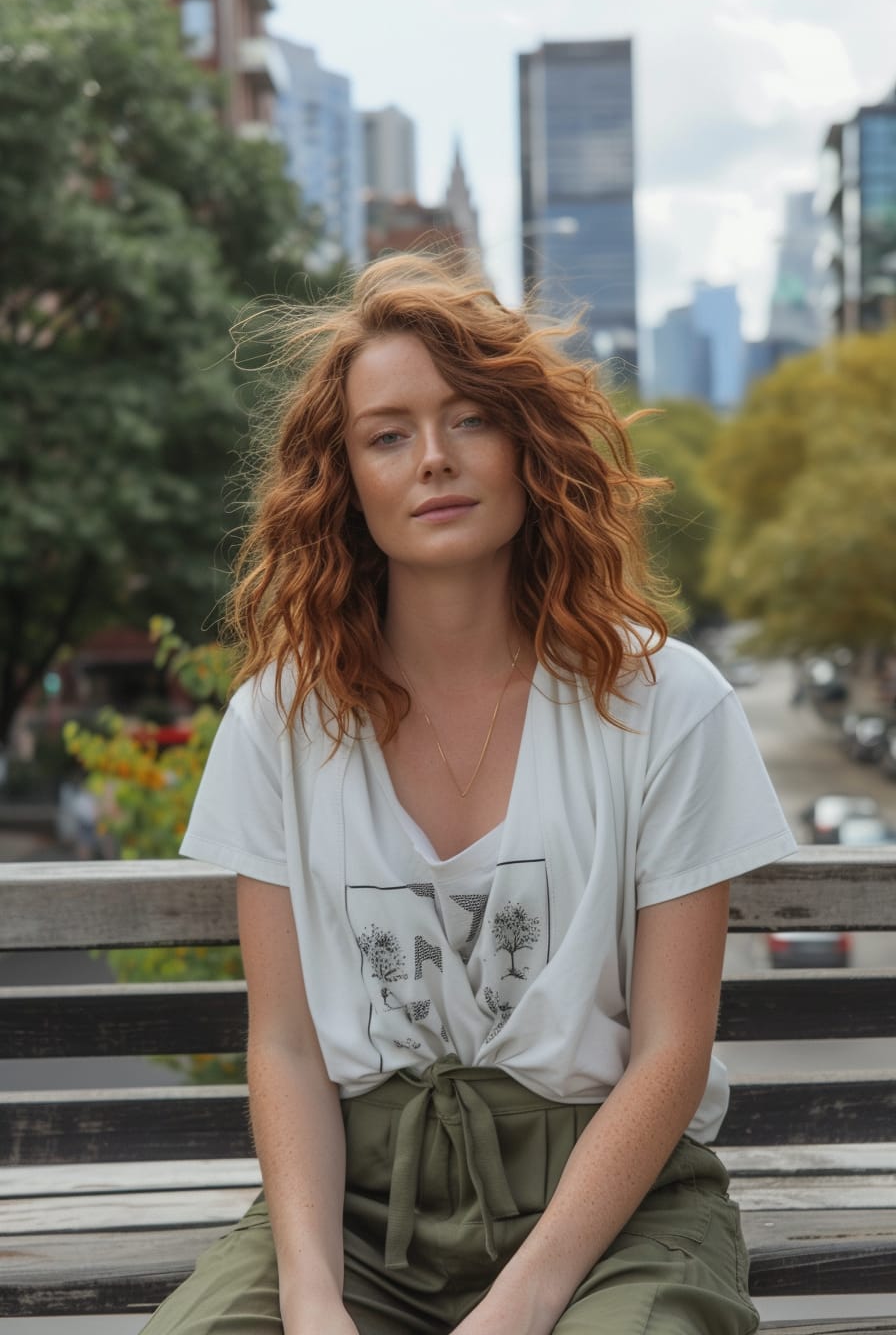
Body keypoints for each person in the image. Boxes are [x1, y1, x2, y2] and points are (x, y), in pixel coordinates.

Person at [143, 253, 796, 1335]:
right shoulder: (279, 719)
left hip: (605, 1210)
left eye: (467, 421)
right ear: (343, 478)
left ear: (527, 448)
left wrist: (522, 1303)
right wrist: (308, 1295)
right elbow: (288, 1045)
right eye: (387, 435)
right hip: (355, 1212)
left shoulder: (665, 703)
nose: (432, 460)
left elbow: (670, 1050)